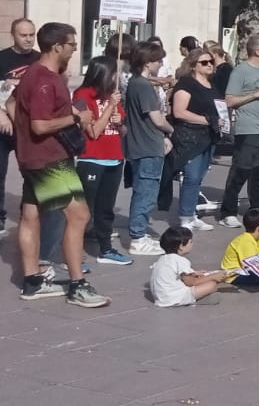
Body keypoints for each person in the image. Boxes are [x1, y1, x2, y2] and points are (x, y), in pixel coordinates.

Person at [11, 22, 108, 306]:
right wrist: (77, 118)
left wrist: (22, 137)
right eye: (72, 44)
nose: (75, 48)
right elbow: (40, 125)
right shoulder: (44, 80)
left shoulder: (35, 74)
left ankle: (32, 282)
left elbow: (11, 104)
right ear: (57, 46)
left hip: (32, 156)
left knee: (30, 215)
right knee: (79, 215)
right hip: (49, 158)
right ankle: (78, 285)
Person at [72, 57, 128, 265]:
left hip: (114, 159)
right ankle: (76, 254)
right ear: (103, 73)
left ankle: (106, 249)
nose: (117, 77)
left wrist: (120, 122)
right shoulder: (82, 96)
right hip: (92, 159)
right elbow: (93, 131)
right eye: (114, 73)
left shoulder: (112, 96)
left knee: (106, 209)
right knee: (84, 211)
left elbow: (123, 131)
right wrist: (108, 109)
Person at [219, 34, 259, 228]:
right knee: (241, 170)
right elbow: (230, 100)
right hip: (249, 129)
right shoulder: (240, 71)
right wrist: (255, 94)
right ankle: (228, 211)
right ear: (257, 51)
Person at [124, 42, 175, 256]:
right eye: (158, 60)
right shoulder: (143, 85)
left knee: (144, 190)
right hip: (148, 145)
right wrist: (170, 129)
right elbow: (156, 118)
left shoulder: (135, 83)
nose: (161, 64)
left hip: (141, 144)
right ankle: (137, 237)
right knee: (146, 192)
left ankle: (141, 233)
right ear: (147, 62)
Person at [169, 48, 223, 232]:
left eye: (211, 62)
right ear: (193, 65)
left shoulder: (212, 84)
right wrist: (206, 120)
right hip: (190, 136)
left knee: (199, 176)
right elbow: (179, 111)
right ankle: (185, 216)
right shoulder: (186, 84)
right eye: (204, 62)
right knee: (191, 176)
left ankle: (192, 213)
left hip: (209, 136)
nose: (209, 65)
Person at [0, 16, 41, 238]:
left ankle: (30, 215)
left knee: (33, 173)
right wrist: (1, 115)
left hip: (29, 127)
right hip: (3, 126)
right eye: (23, 35)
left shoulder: (40, 60)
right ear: (13, 35)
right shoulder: (2, 58)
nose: (28, 39)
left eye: (31, 35)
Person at [150, 224, 223, 306]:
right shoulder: (180, 260)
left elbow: (180, 276)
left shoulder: (163, 259)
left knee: (204, 282)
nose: (192, 244)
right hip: (172, 298)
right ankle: (197, 300)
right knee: (212, 285)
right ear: (181, 246)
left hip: (160, 297)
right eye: (190, 242)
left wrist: (194, 273)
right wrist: (213, 277)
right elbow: (191, 282)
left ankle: (196, 298)